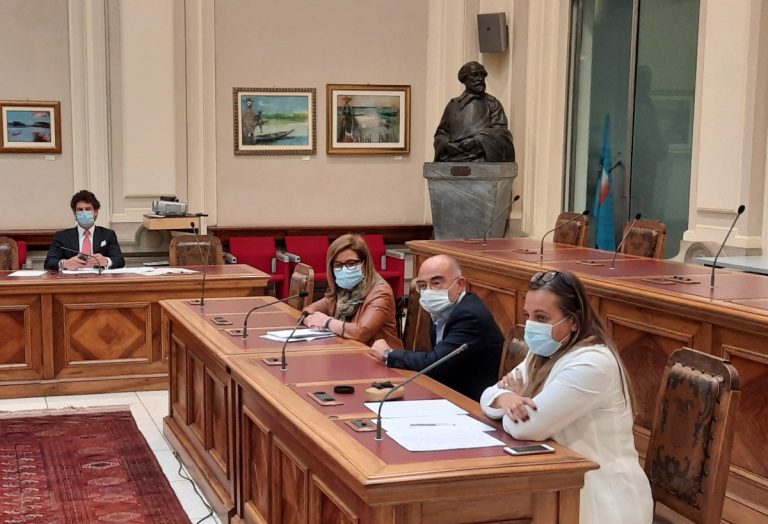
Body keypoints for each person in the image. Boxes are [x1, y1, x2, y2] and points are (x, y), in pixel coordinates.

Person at [480, 270, 652, 524]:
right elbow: (487, 396)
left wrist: (514, 398)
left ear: (573, 321)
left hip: (604, 499)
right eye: (528, 316)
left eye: (542, 317)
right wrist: (507, 399)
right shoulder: (542, 353)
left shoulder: (593, 363)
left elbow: (527, 427)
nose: (531, 326)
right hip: (560, 483)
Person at [370, 254, 503, 401]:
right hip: (446, 391)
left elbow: (436, 362)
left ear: (460, 284)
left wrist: (388, 354)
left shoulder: (469, 315)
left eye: (436, 283)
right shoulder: (444, 310)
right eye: (422, 286)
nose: (429, 291)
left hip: (470, 401)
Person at [304, 234, 402, 348]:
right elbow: (309, 309)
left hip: (378, 356)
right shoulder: (343, 292)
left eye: (351, 263)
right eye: (338, 265)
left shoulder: (380, 293)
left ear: (365, 264)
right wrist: (311, 320)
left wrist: (327, 322)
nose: (344, 269)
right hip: (348, 351)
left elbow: (362, 332)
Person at [433, 61, 515, 162]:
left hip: (481, 157)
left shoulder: (492, 103)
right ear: (464, 79)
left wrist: (476, 141)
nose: (480, 79)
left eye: (482, 75)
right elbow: (441, 133)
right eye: (474, 75)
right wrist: (447, 145)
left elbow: (501, 134)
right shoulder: (453, 105)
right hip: (454, 157)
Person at [44, 190, 125, 270]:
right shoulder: (62, 236)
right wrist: (65, 264)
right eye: (80, 210)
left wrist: (106, 261)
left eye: (88, 209)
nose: (84, 213)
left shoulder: (108, 235)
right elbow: (49, 262)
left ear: (96, 212)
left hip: (99, 277)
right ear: (75, 213)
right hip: (73, 277)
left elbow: (120, 260)